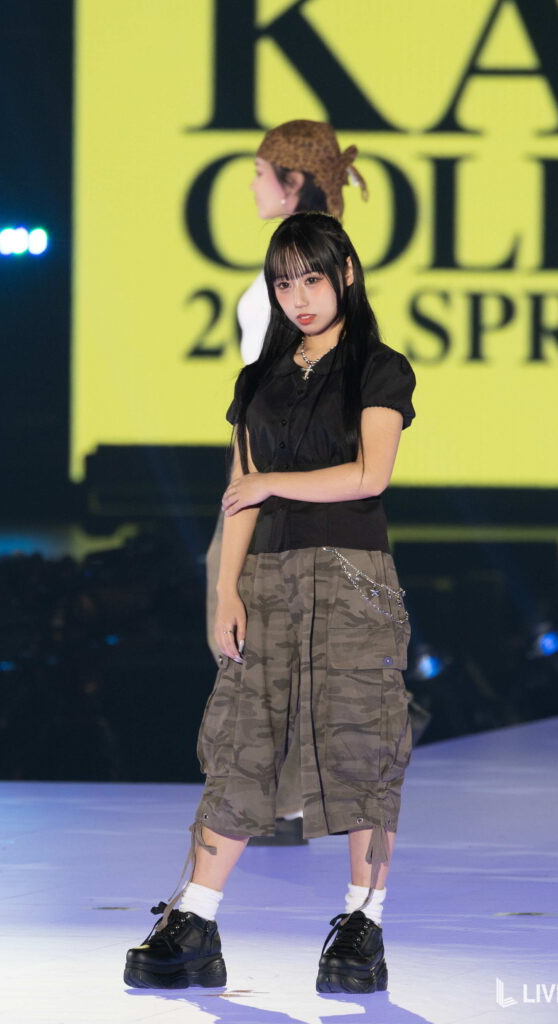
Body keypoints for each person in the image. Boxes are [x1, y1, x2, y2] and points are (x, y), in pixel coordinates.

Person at [124, 211, 416, 994]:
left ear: (346, 274)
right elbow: (238, 494)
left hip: (352, 578)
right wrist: (225, 588)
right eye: (284, 285)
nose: (300, 298)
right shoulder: (258, 380)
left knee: (360, 745)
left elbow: (370, 474)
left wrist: (270, 482)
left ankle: (362, 924)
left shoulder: (379, 369)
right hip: (265, 581)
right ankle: (195, 918)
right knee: (239, 743)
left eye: (313, 279)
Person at [205, 121, 368, 838]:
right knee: (258, 618)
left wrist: (265, 472)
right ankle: (278, 793)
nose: (252, 185)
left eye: (260, 172)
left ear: (293, 182)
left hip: (282, 461)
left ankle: (278, 796)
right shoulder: (308, 259)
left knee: (255, 619)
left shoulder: (319, 266)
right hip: (272, 452)